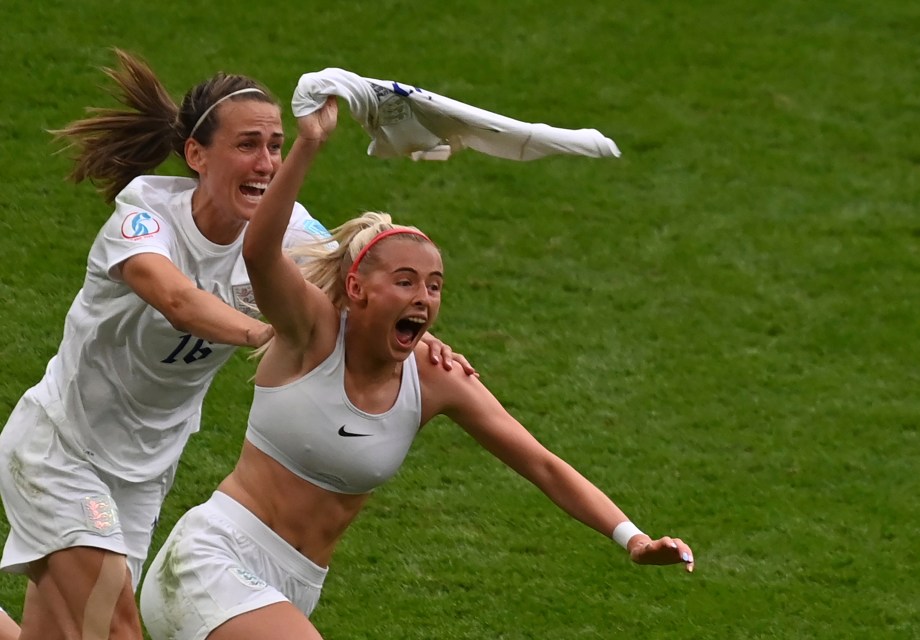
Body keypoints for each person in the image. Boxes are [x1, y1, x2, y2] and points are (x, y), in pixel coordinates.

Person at [139, 94, 695, 640]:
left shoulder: (435, 378)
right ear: (356, 287)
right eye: (404, 281)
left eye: (433, 286)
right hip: (212, 560)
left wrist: (633, 538)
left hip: (294, 588)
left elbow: (543, 465)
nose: (424, 297)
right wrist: (308, 144)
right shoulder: (310, 331)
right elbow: (261, 253)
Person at [0, 50, 469, 640]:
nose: (266, 162)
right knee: (115, 631)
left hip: (144, 473)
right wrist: (262, 330)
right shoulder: (143, 217)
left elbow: (359, 291)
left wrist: (427, 338)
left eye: (275, 144)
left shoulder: (290, 229)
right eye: (248, 144)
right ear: (197, 155)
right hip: (60, 451)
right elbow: (176, 299)